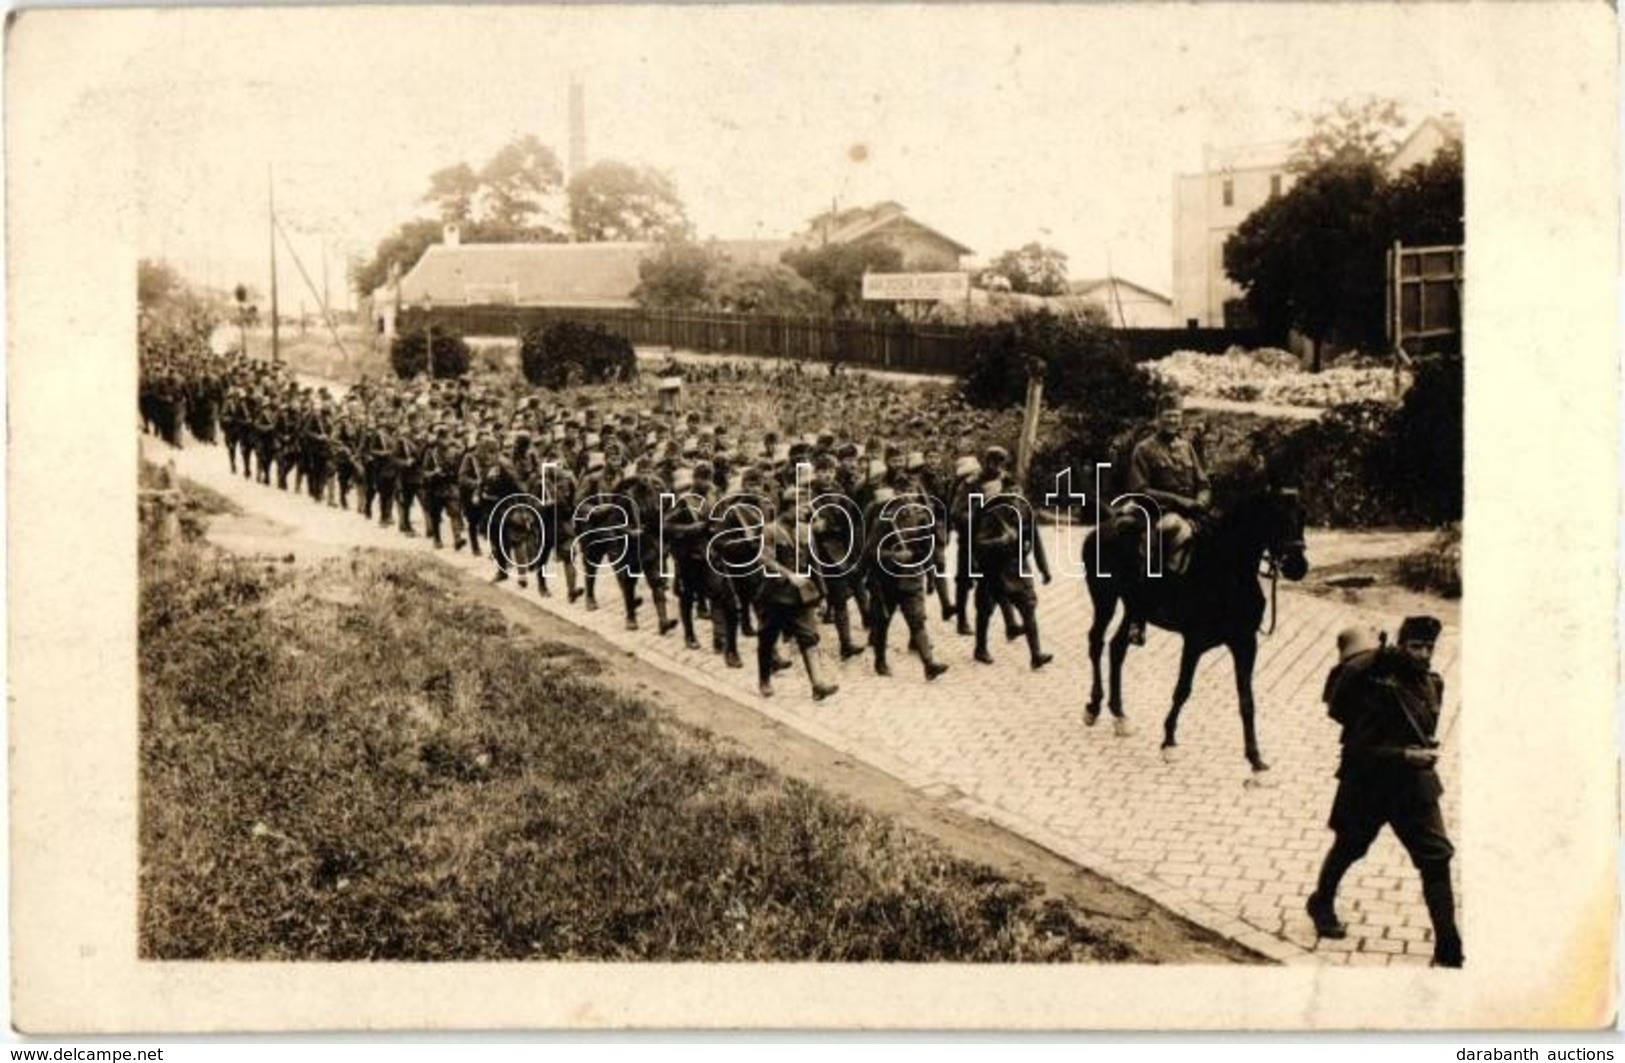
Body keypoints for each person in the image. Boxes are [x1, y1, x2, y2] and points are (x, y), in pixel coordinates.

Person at [1307, 615, 1462, 968]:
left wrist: (1419, 752)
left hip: (1413, 786)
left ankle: (1449, 947)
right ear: (1401, 645)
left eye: (1429, 647)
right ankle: (1321, 901)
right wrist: (1406, 754)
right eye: (1416, 646)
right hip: (1368, 784)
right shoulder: (1374, 682)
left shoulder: (1432, 684)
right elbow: (1357, 750)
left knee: (1437, 858)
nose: (1423, 654)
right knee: (1351, 845)